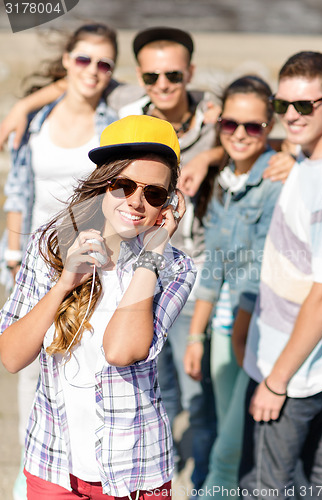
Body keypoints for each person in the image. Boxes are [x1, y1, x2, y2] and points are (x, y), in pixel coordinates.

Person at [0, 114, 196, 500]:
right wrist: (65, 282)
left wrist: (152, 255)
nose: (136, 203)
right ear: (101, 184)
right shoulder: (50, 245)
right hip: (53, 466)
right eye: (123, 185)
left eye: (153, 194)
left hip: (136, 474)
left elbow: (122, 350)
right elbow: (10, 356)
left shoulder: (175, 268)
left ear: (168, 204)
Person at [0, 23, 119, 500]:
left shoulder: (114, 119)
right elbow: (18, 189)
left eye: (104, 63)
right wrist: (12, 254)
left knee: (81, 370)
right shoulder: (38, 118)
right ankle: (32, 470)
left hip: (91, 265)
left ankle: (90, 468)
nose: (92, 71)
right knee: (28, 370)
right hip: (33, 263)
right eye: (83, 59)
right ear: (67, 60)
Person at [240, 51, 322, 498]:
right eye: (281, 104)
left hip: (296, 369)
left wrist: (276, 381)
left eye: (304, 105)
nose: (291, 115)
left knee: (264, 485)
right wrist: (295, 152)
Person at [119, 26, 219, 487]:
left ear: (190, 73)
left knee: (200, 392)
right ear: (140, 76)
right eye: (152, 75)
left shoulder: (216, 120)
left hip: (194, 272)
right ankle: (162, 471)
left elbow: (263, 133)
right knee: (154, 386)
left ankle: (202, 484)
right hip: (140, 272)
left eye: (174, 75)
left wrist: (211, 150)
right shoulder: (126, 122)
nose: (163, 84)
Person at [183, 76, 284, 498]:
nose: (240, 134)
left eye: (253, 126)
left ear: (269, 127)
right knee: (233, 436)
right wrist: (195, 335)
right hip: (224, 330)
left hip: (257, 332)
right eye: (230, 124)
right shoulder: (222, 181)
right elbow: (215, 267)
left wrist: (240, 340)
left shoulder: (278, 180)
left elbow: (260, 271)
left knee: (227, 452)